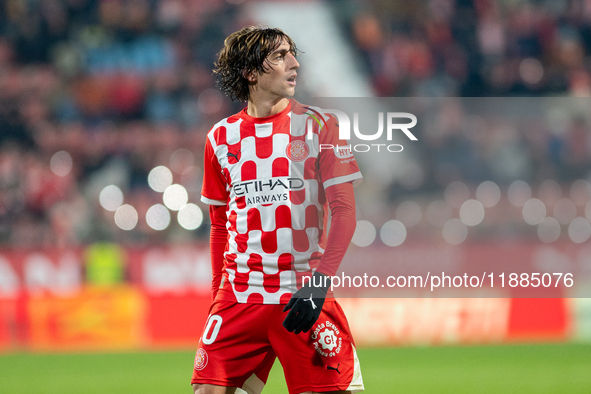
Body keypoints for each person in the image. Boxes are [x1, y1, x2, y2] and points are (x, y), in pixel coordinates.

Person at [192, 26, 364, 394]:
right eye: (280, 56)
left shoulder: (321, 127)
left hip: (302, 296)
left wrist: (319, 283)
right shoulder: (220, 138)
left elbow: (344, 213)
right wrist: (216, 298)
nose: (295, 64)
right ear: (251, 72)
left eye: (292, 53)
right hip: (239, 298)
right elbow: (220, 225)